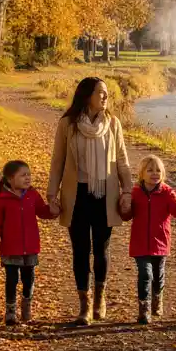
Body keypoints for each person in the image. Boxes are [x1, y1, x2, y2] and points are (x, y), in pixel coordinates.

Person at [47, 77, 132, 326]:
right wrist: (52, 194)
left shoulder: (113, 124)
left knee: (102, 248)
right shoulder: (68, 125)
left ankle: (99, 299)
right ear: (87, 95)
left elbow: (123, 161)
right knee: (81, 249)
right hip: (77, 196)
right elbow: (57, 163)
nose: (105, 97)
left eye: (106, 93)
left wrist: (127, 190)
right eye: (100, 93)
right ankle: (84, 304)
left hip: (106, 195)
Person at [0, 160, 58, 326]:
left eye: (29, 174)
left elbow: (42, 211)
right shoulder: (2, 199)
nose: (28, 178)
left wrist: (53, 210)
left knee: (29, 279)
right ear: (11, 179)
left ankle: (27, 305)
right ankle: (10, 311)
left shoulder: (32, 195)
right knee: (11, 279)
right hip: (10, 248)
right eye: (23, 175)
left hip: (30, 247)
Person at [126, 155, 176, 325]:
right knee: (145, 274)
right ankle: (144, 308)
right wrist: (122, 205)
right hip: (140, 243)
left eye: (158, 170)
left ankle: (157, 298)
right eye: (150, 170)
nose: (154, 174)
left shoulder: (167, 193)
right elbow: (127, 214)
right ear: (142, 174)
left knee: (158, 275)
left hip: (160, 242)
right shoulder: (135, 193)